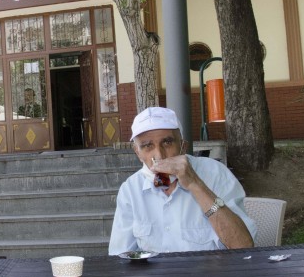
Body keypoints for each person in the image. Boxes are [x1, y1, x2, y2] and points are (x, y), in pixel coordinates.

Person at [108, 107, 256, 255]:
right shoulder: (131, 189)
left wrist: (195, 184)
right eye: (148, 146)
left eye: (167, 143)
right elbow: (120, 256)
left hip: (209, 276)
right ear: (137, 152)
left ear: (183, 146)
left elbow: (243, 246)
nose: (159, 155)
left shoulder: (216, 174)